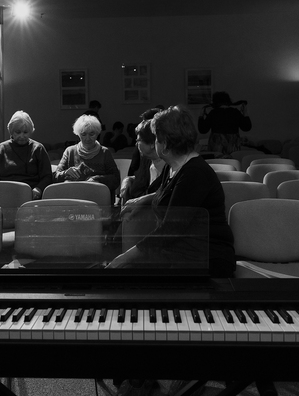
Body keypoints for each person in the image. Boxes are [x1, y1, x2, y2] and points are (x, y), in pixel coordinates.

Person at [107, 105, 235, 275]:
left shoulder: (195, 173)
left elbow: (170, 229)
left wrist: (124, 258)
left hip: (207, 256)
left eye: (156, 139)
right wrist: (143, 199)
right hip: (180, 251)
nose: (154, 143)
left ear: (165, 145)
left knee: (131, 272)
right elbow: (168, 192)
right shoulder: (172, 166)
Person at [0, 110, 52, 199]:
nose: (22, 136)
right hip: (5, 194)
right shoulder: (2, 148)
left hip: (31, 194)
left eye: (25, 132)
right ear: (11, 132)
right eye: (18, 132)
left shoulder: (38, 149)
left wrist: (39, 189)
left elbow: (47, 176)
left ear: (30, 131)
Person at [54, 114, 120, 196]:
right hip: (74, 195)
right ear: (78, 134)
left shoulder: (104, 152)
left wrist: (97, 179)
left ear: (97, 134)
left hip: (97, 195)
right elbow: (55, 176)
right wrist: (65, 173)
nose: (87, 138)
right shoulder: (70, 151)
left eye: (91, 134)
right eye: (83, 134)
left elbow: (115, 178)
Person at [118, 118, 165, 206]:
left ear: (152, 143)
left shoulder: (168, 166)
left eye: (139, 141)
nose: (136, 144)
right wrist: (128, 179)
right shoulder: (146, 160)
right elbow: (141, 179)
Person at [197, 91, 252, 155]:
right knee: (233, 160)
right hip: (233, 147)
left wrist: (201, 116)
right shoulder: (235, 112)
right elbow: (247, 127)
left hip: (216, 147)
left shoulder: (213, 113)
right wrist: (245, 113)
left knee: (216, 161)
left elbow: (203, 130)